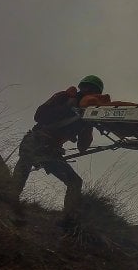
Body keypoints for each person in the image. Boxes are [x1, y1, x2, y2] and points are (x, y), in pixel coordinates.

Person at [11, 75, 104, 227]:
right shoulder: (66, 97)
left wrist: (89, 123)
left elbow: (82, 145)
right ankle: (9, 200)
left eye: (91, 90)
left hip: (50, 150)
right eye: (90, 90)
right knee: (25, 167)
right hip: (37, 141)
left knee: (74, 182)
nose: (89, 92)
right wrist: (70, 109)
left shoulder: (85, 114)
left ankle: (68, 220)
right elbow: (39, 116)